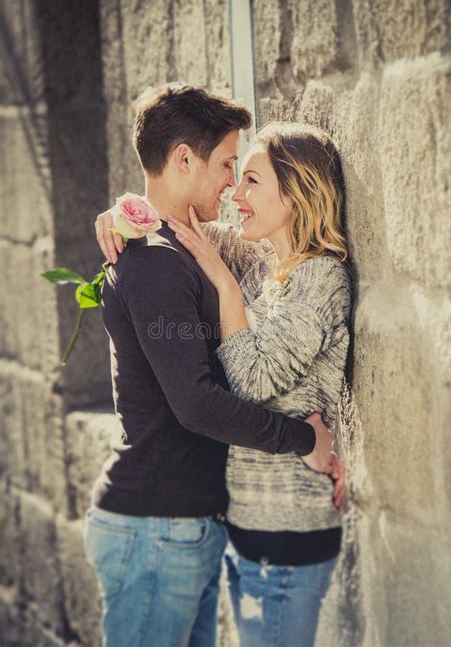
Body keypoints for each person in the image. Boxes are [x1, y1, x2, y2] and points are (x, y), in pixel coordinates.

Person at [86, 83, 336, 647]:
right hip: (155, 526)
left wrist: (129, 212)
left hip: (183, 526)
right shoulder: (154, 265)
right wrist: (304, 438)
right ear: (182, 160)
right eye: (227, 164)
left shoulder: (186, 246)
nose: (230, 181)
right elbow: (197, 402)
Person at [165, 123, 351, 646]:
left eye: (250, 181)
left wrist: (223, 283)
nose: (234, 194)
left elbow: (251, 379)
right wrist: (119, 213)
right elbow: (174, 219)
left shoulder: (321, 278)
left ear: (292, 195)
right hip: (245, 532)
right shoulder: (265, 265)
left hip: (288, 539)